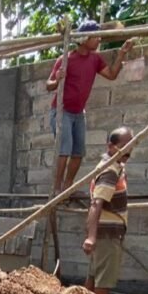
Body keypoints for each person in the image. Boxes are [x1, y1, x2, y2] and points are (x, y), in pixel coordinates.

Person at [46, 21, 133, 195]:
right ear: (84, 39)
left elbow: (111, 75)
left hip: (78, 113)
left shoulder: (95, 59)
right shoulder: (66, 59)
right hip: (62, 111)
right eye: (95, 36)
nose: (99, 39)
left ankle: (67, 187)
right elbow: (49, 85)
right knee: (64, 150)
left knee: (78, 152)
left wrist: (122, 53)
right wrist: (57, 79)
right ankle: (56, 188)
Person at [83, 126, 134, 294]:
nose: (129, 149)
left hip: (107, 234)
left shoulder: (115, 166)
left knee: (95, 276)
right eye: (124, 145)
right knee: (103, 281)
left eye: (131, 144)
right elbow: (96, 204)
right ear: (111, 147)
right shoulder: (110, 171)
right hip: (106, 235)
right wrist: (91, 237)